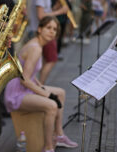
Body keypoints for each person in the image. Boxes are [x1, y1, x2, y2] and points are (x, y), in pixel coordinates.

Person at [4, 16, 78, 152]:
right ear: (39, 29)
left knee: (61, 92)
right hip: (16, 93)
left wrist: (40, 86)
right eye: (48, 28)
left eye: (55, 29)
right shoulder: (36, 48)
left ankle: (59, 135)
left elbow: (29, 75)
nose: (52, 32)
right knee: (52, 105)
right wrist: (46, 94)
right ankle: (48, 147)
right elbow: (24, 79)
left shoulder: (38, 44)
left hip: (24, 86)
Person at [28, 0, 67, 84]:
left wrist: (55, 8)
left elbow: (45, 11)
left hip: (41, 31)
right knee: (51, 59)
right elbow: (41, 15)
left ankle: (38, 85)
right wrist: (60, 12)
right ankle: (40, 85)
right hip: (42, 32)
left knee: (44, 60)